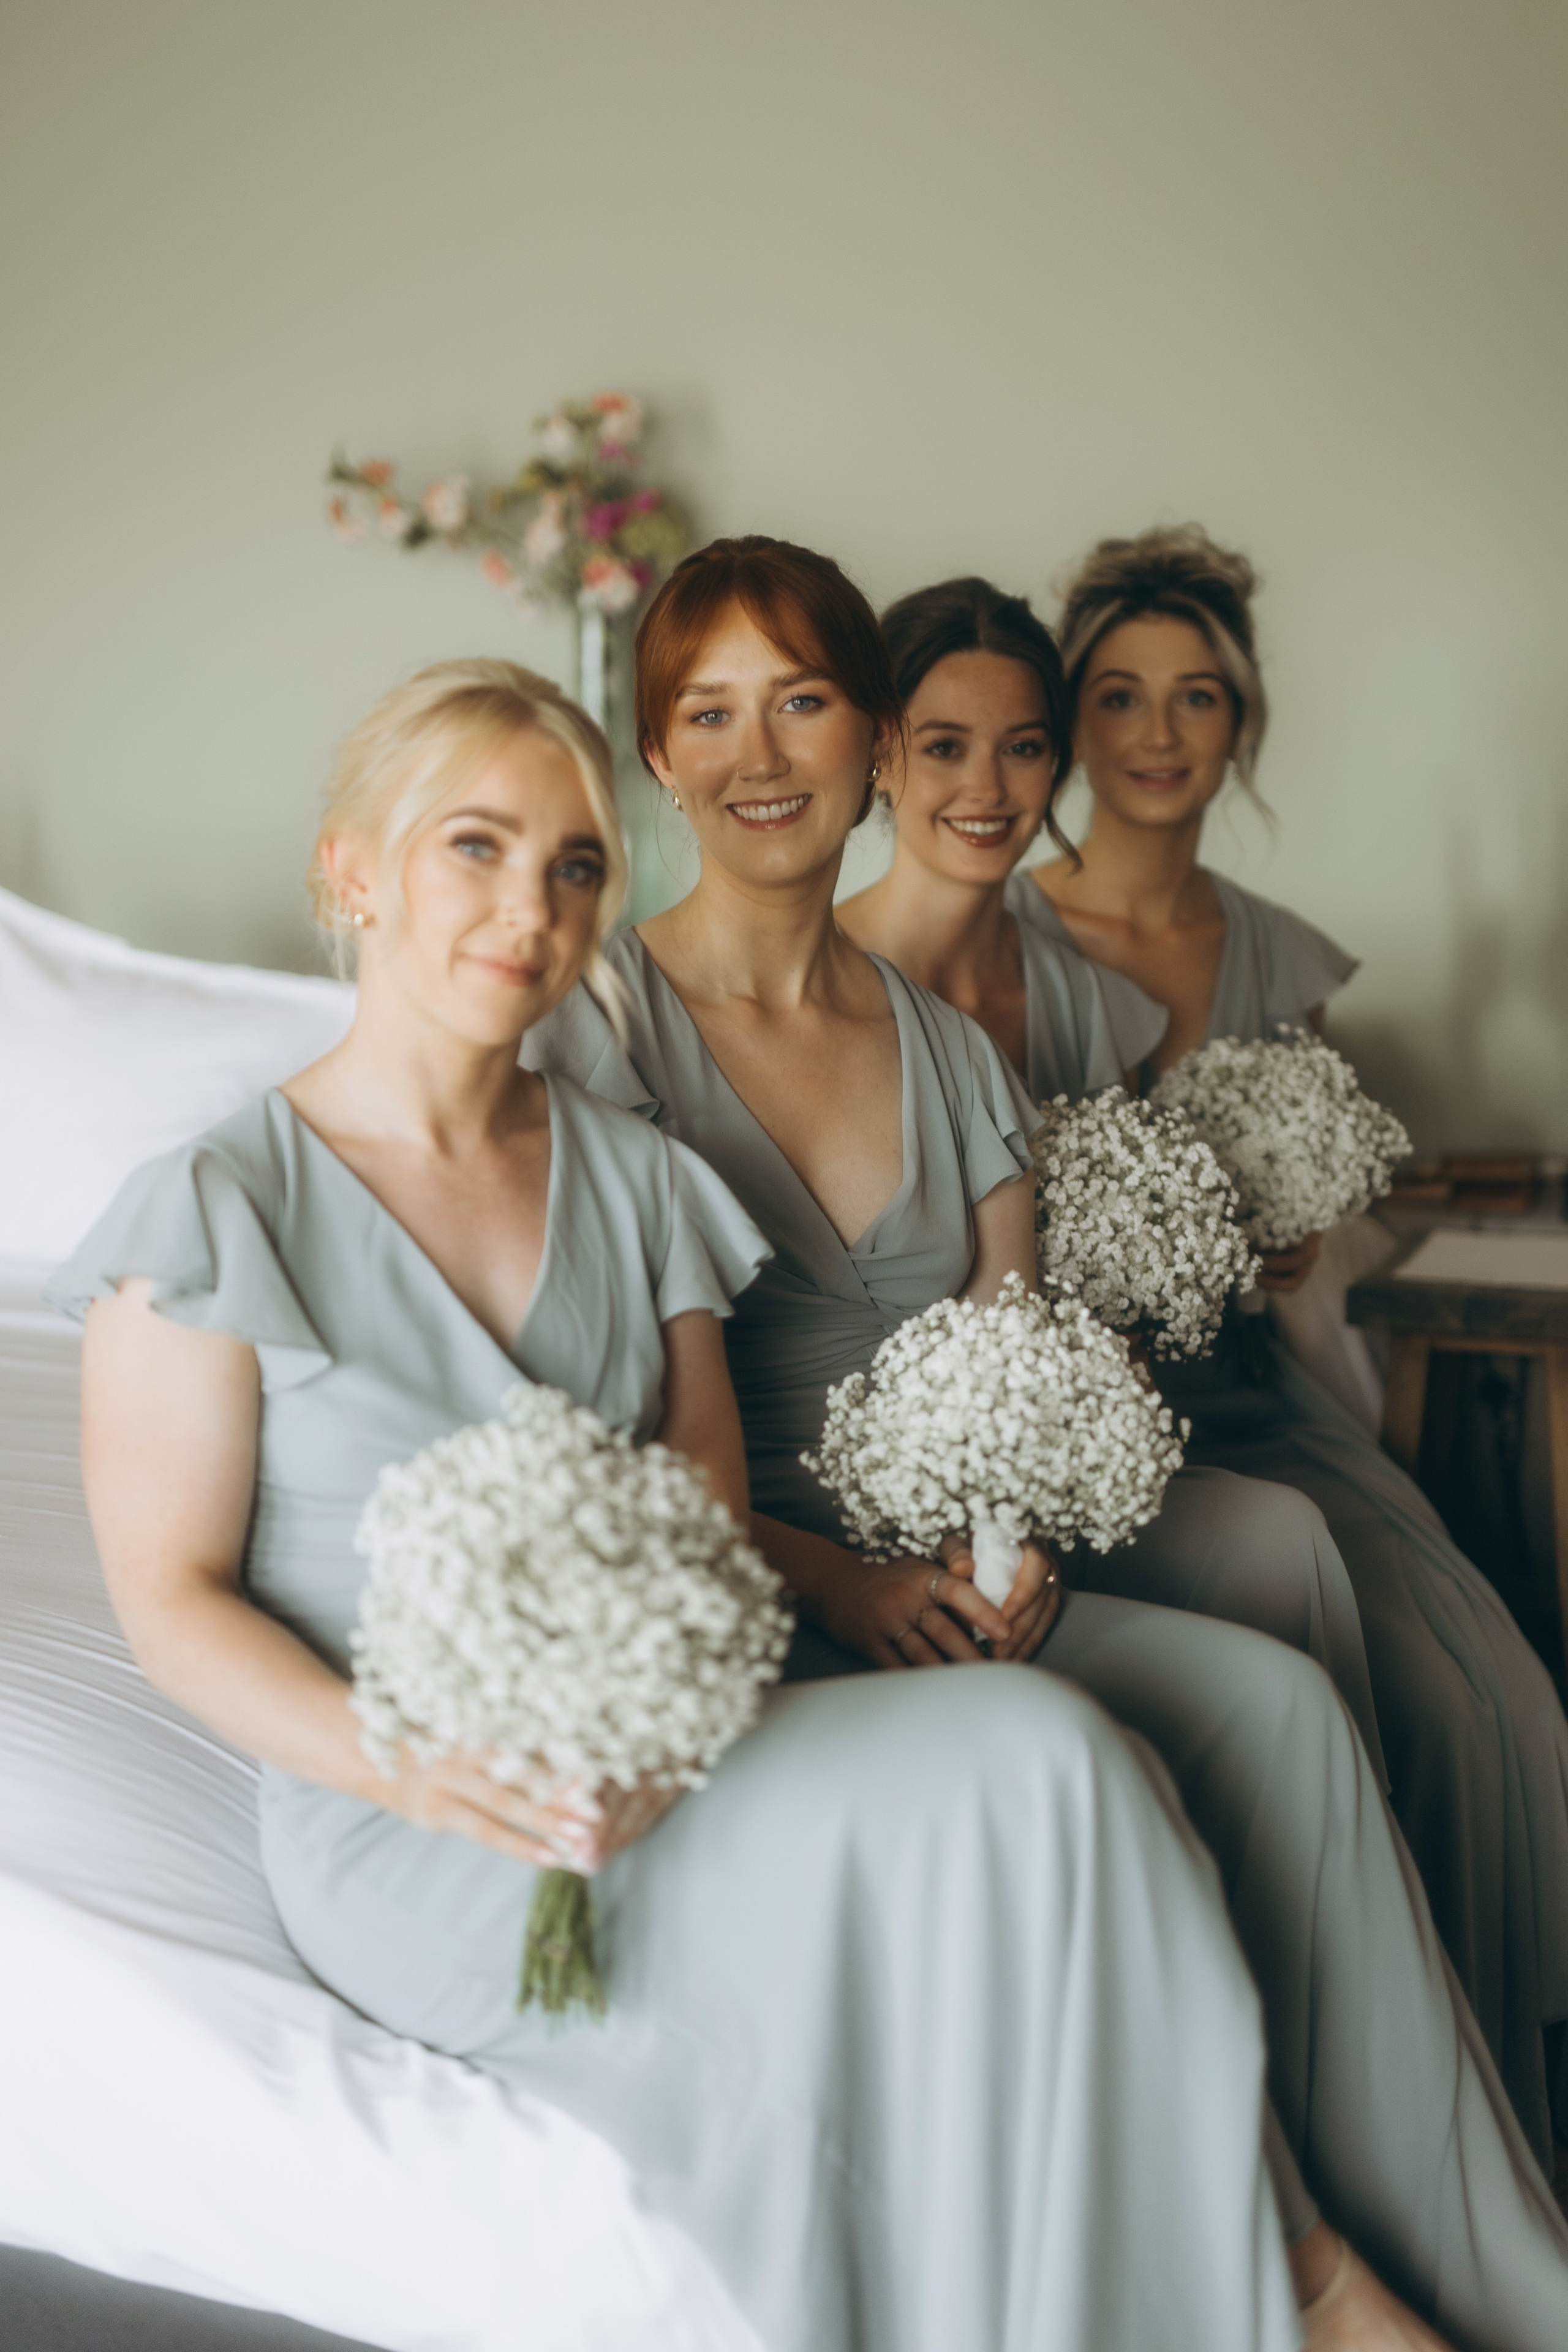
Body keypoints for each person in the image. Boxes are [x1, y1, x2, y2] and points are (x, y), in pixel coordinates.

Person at [50, 659, 1316, 2352]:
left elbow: (706, 1512)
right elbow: (170, 1601)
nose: (534, 906)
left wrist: (666, 1719)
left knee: (1056, 1768)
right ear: (354, 871)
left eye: (578, 865)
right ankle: (1298, 2300)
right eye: (477, 848)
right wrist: (422, 1765)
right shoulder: (216, 1206)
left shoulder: (642, 1178)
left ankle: (1231, 2292)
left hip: (678, 1748)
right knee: (1046, 1758)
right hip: (419, 1822)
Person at [525, 536, 1568, 2351]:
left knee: (1293, 1713)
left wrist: (1009, 1558)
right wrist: (845, 1578)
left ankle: (1478, 2260)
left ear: (864, 734)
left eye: (803, 701)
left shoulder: (946, 1045)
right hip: (763, 1577)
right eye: (710, 713)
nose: (761, 751)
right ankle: (1281, 2275)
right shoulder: (600, 1031)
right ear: (660, 758)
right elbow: (596, 1438)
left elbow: (1028, 1357)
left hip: (967, 1571)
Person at [1027, 523, 1568, 2166]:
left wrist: (1286, 1245)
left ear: (1243, 724)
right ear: (1072, 724)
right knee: (1368, 1693)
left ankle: (1503, 2091)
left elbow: (1308, 1221)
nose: (1160, 734)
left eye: (1199, 697)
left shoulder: (1277, 954)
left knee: (1499, 1703)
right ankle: (1365, 2089)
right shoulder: (1007, 944)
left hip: (1259, 1396)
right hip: (1102, 1417)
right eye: (1119, 697)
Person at [838, 573, 1384, 1763]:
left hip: (1071, 1461)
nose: (985, 790)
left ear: (1058, 763)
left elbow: (1119, 1304)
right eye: (943, 747)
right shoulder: (820, 984)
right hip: (863, 1484)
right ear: (880, 757)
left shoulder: (1090, 1003)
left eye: (1022, 748)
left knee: (1286, 1533)